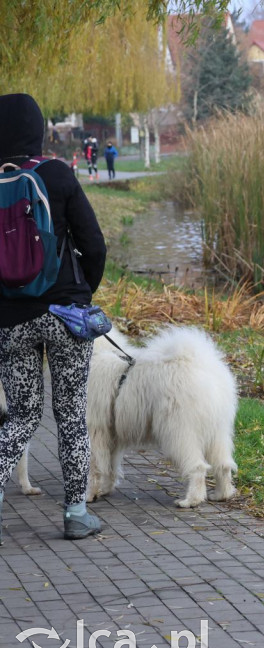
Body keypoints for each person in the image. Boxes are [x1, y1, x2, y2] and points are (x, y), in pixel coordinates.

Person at [0, 93, 108, 543]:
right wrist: (82, 294)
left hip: (10, 320)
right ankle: (76, 514)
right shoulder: (58, 173)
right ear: (39, 129)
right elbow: (95, 245)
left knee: (22, 413)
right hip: (65, 314)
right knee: (70, 414)